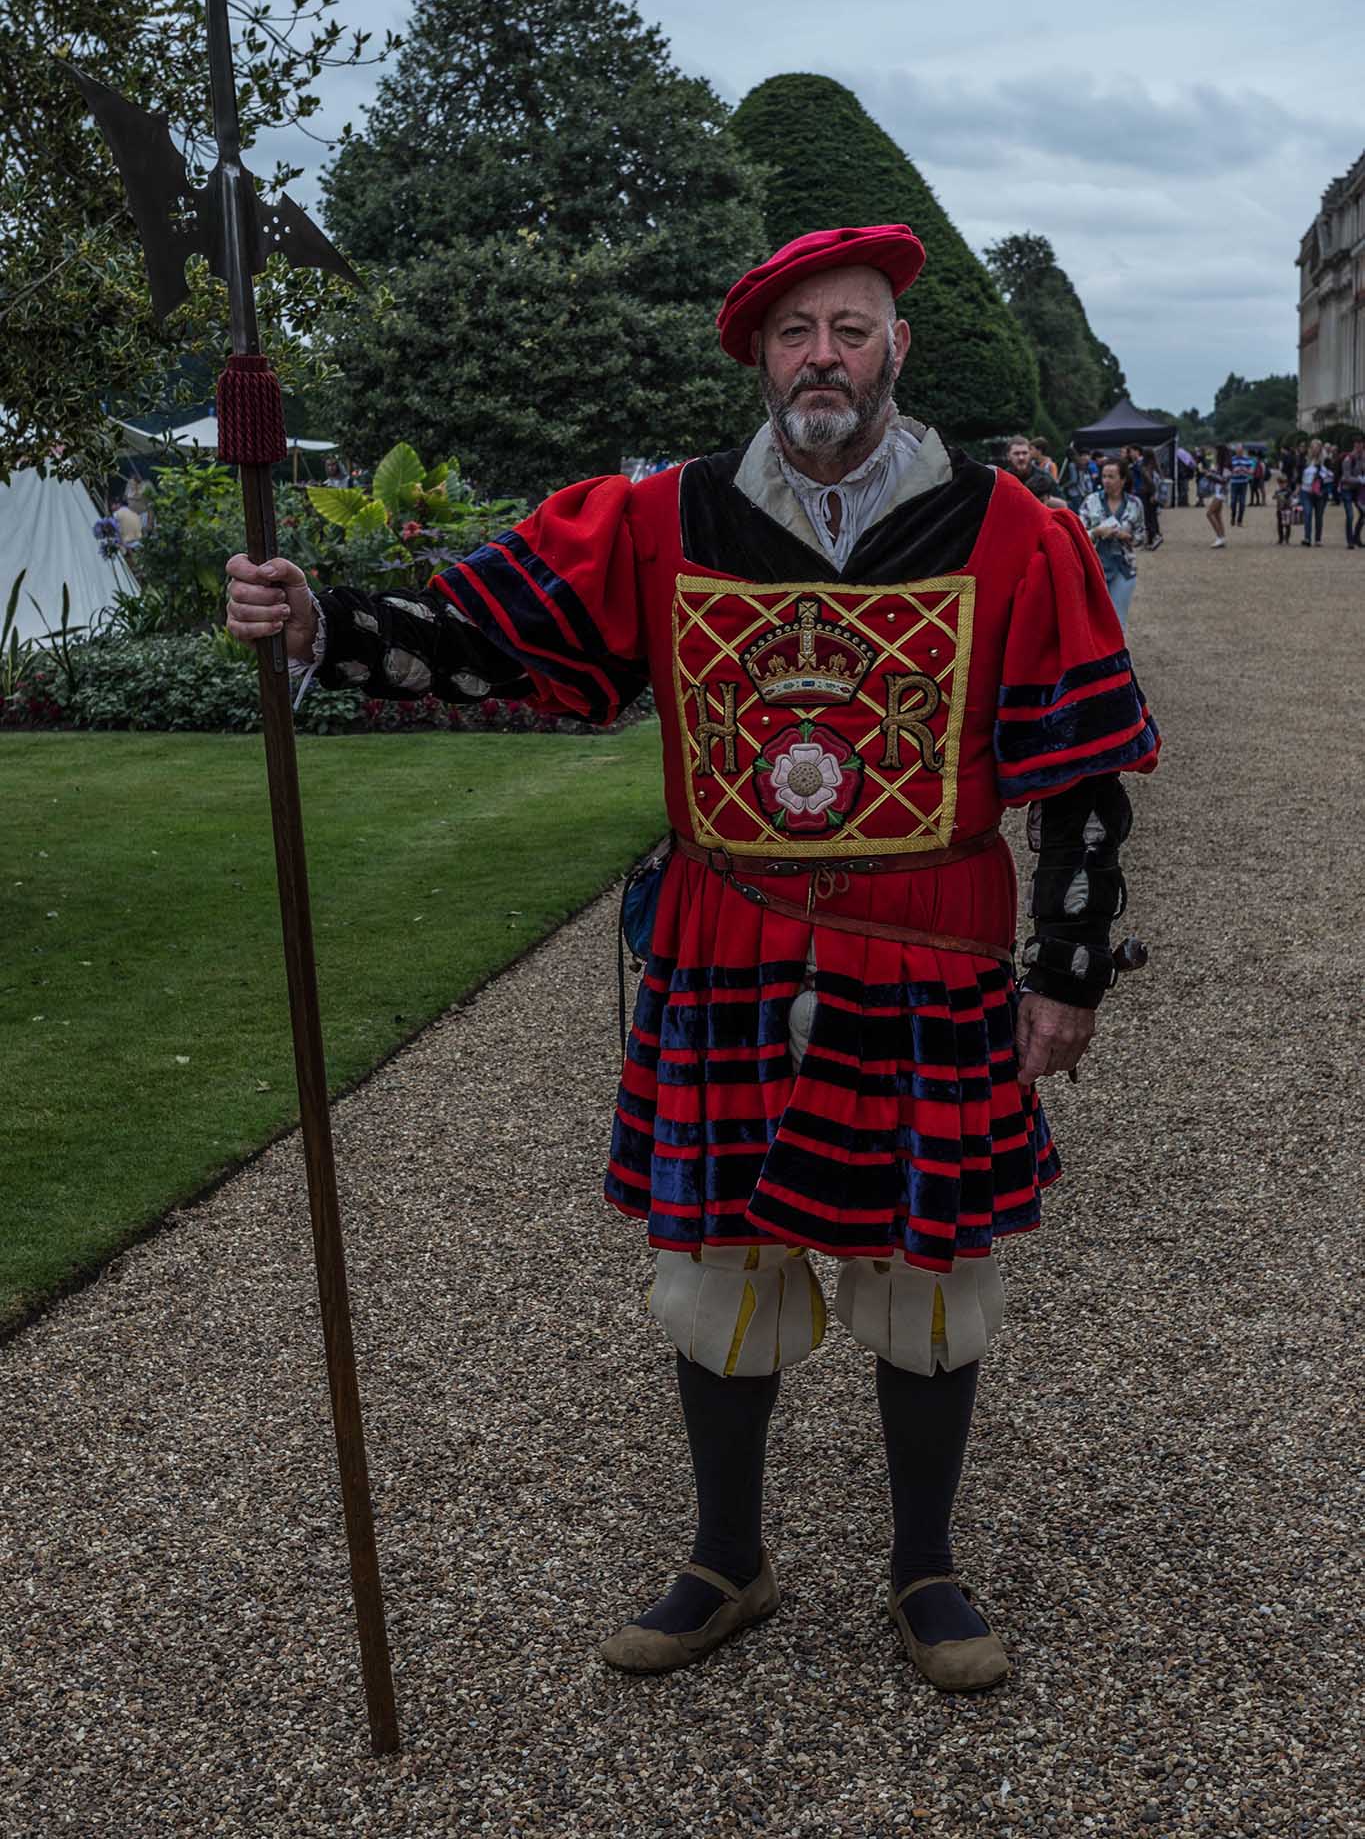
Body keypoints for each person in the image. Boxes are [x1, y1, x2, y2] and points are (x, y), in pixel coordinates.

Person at [226, 225, 1158, 1695]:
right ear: (758, 358)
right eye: (796, 335)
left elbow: (1085, 771)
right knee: (719, 1261)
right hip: (723, 948)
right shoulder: (666, 519)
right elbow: (492, 635)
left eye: (851, 330)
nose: (824, 359)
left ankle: (926, 1566)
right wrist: (320, 623)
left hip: (929, 950)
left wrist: (1069, 967)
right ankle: (730, 1555)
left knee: (929, 1268)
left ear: (897, 349)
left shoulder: (1009, 529)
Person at [1079, 459, 1145, 633]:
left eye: (1111, 476)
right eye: (1104, 476)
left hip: (1124, 568)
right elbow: (1077, 534)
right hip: (1094, 568)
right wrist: (1096, 532)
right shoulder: (1090, 501)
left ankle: (1117, 659)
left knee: (1117, 621)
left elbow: (1142, 536)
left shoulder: (1135, 504)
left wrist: (1128, 537)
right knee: (1094, 621)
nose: (1106, 480)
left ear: (1122, 480)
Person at [1004, 435, 1065, 507]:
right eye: (1016, 453)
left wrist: (1042, 498)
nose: (1021, 457)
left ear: (1030, 454)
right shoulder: (1002, 479)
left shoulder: (1044, 476)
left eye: (1024, 453)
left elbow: (1064, 504)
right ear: (1008, 456)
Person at [1298, 441, 1328, 547]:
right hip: (1306, 491)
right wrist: (1296, 490)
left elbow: (1330, 476)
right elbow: (1299, 476)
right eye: (1312, 447)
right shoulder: (1305, 460)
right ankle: (1307, 537)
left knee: (1319, 516)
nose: (1314, 449)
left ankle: (1318, 539)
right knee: (1307, 513)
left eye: (1317, 447)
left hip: (1320, 493)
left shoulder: (1325, 461)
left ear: (1320, 449)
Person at [1339, 439, 1364, 549]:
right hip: (1347, 489)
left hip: (1358, 490)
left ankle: (1356, 537)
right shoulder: (1348, 459)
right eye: (1357, 446)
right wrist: (1359, 480)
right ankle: (1350, 541)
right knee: (1350, 515)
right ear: (1354, 446)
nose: (1359, 449)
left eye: (1361, 446)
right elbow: (1346, 477)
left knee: (1363, 513)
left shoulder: (1363, 459)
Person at [1206, 446, 1229, 548]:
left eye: (1216, 452)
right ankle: (1222, 537)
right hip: (1219, 491)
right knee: (1217, 514)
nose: (1214, 454)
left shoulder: (1227, 465)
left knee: (1209, 513)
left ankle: (1220, 537)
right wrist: (1211, 473)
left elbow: (1224, 480)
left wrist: (1211, 476)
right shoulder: (1221, 464)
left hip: (1221, 492)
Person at [1226, 442, 1253, 528]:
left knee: (1242, 503)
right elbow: (1228, 472)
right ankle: (1233, 516)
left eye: (1241, 450)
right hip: (1234, 483)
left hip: (1243, 483)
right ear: (1236, 451)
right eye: (1238, 450)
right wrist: (1235, 470)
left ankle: (1240, 520)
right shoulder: (1231, 459)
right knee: (1233, 502)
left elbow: (1252, 472)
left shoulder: (1247, 459)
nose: (1239, 452)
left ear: (1243, 450)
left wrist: (1245, 470)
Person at [1273, 465, 1296, 546]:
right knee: (1280, 524)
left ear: (1286, 483)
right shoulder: (1278, 491)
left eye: (1284, 483)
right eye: (1280, 483)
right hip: (1279, 509)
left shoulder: (1289, 491)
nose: (1282, 485)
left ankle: (1287, 539)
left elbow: (1291, 498)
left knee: (1287, 525)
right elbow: (1274, 497)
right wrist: (1277, 496)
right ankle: (1280, 538)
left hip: (1287, 509)